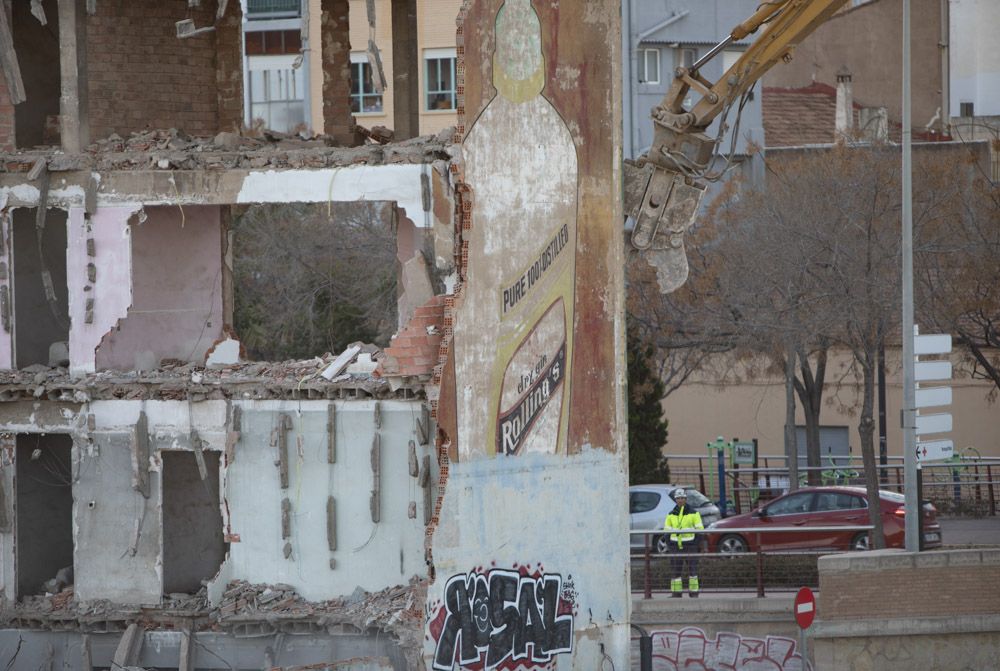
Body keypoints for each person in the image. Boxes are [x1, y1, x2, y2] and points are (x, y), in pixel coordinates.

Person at [664, 488, 704, 598]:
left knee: (693, 571)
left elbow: (700, 530)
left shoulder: (694, 513)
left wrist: (695, 544)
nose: (680, 500)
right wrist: (670, 545)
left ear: (685, 499)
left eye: (682, 498)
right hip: (675, 546)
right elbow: (666, 532)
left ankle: (694, 593)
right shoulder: (671, 514)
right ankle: (676, 593)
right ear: (675, 500)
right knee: (675, 571)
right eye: (678, 498)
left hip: (690, 545)